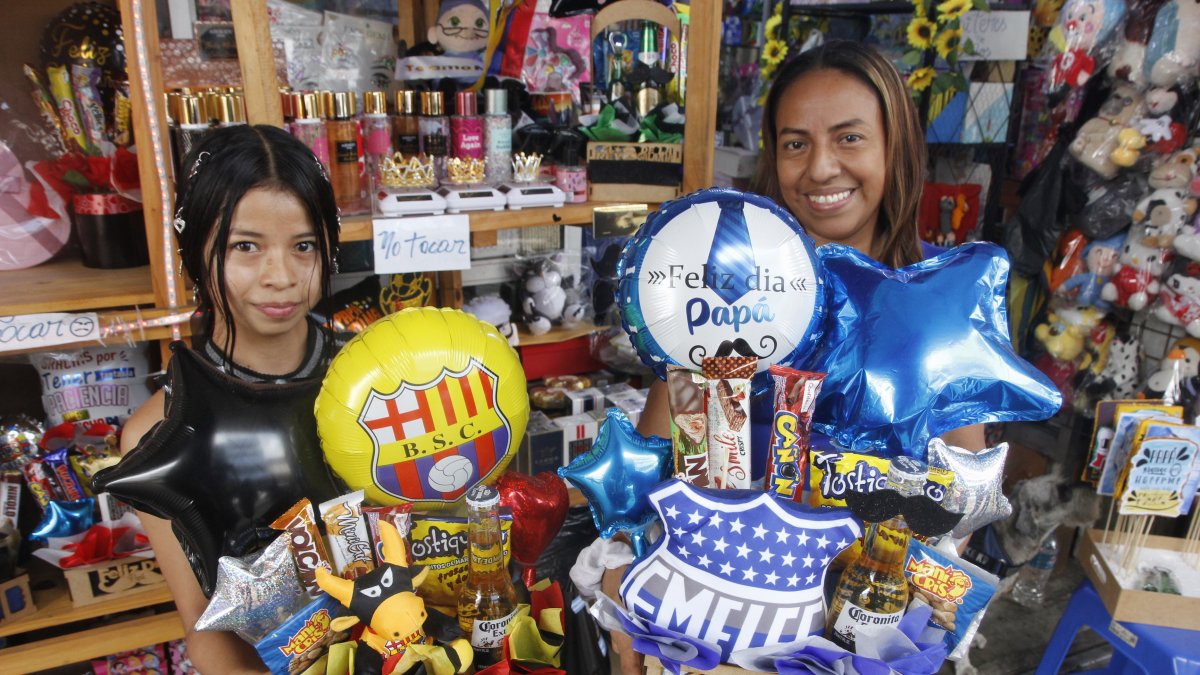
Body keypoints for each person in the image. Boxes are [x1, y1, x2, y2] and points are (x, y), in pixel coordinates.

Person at [604, 40, 986, 674]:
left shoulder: (931, 317)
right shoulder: (714, 298)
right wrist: (627, 610)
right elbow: (649, 481)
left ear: (896, 148)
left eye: (850, 138)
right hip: (704, 643)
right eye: (795, 143)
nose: (820, 169)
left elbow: (957, 510)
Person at [119, 124, 346, 673]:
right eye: (245, 246)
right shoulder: (159, 440)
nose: (281, 277)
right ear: (194, 251)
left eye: (304, 246)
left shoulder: (377, 382)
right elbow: (203, 621)